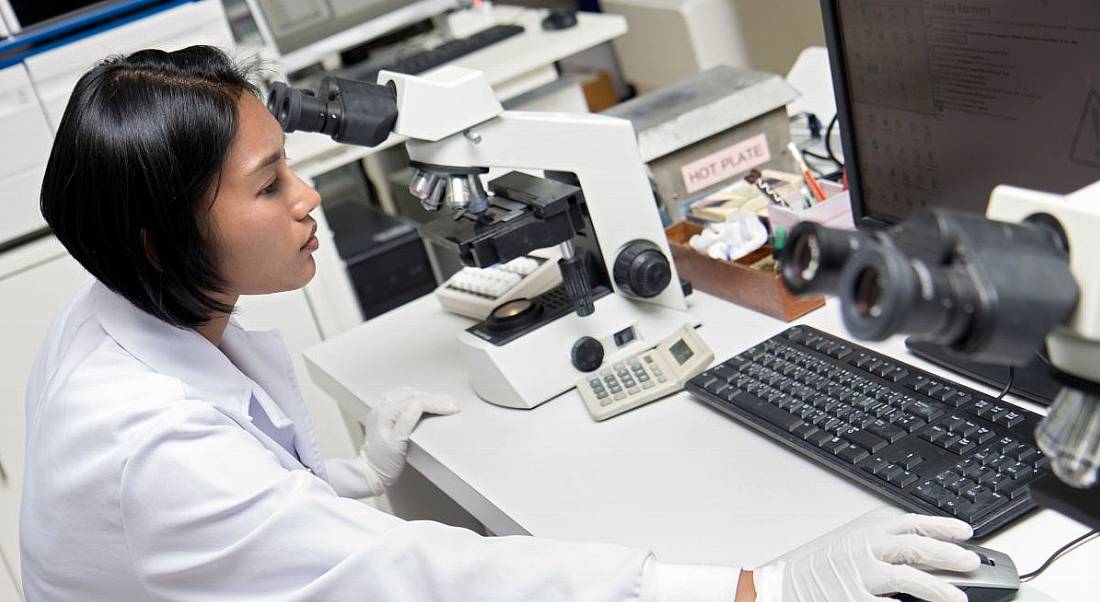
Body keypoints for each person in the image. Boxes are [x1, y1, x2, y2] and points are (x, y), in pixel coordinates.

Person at [21, 45, 981, 602]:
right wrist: (764, 589)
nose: (309, 196)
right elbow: (427, 576)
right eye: (270, 184)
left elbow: (241, 542)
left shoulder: (108, 308)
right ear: (157, 240)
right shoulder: (152, 453)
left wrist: (344, 482)